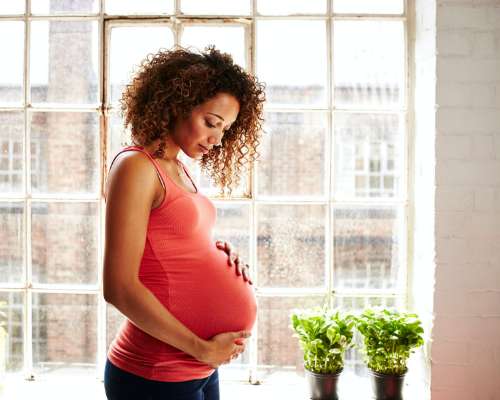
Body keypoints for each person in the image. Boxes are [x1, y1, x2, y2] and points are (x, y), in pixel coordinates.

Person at [102, 46, 265, 400]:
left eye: (226, 129)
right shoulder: (136, 167)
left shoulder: (178, 168)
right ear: (176, 103)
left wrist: (216, 254)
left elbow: (167, 247)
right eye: (211, 123)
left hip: (197, 368)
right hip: (155, 373)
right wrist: (201, 347)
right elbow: (118, 287)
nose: (218, 140)